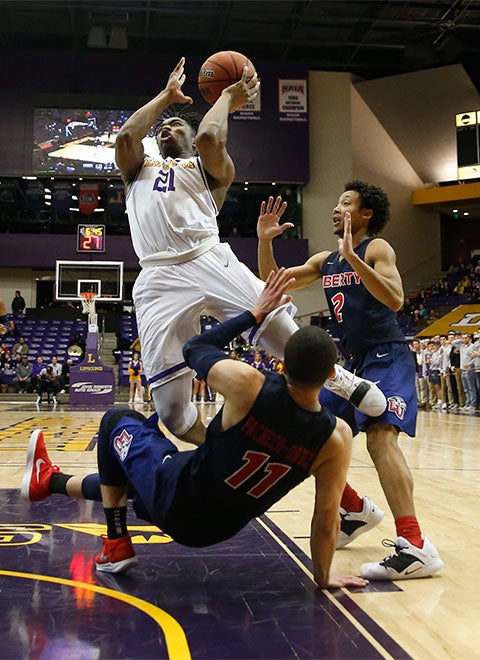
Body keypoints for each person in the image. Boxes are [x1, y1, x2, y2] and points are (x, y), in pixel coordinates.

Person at [21, 269, 368, 590]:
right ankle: (47, 482)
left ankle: (116, 545)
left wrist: (255, 314)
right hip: (215, 530)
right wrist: (323, 578)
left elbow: (195, 348)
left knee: (117, 420)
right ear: (329, 376)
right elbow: (325, 520)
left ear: (283, 361)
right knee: (135, 474)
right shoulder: (335, 439)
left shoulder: (250, 384)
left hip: (177, 497)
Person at [115, 57, 384, 446]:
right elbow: (125, 137)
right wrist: (166, 97)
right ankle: (221, 452)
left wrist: (225, 96)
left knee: (276, 326)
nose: (166, 128)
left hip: (207, 258)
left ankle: (339, 378)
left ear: (189, 139)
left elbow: (210, 138)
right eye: (162, 127)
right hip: (157, 277)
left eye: (176, 124)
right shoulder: (138, 169)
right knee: (173, 414)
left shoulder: (210, 170)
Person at [257, 185, 443, 581]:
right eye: (337, 201)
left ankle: (416, 546)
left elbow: (395, 299)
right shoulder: (324, 261)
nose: (337, 208)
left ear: (365, 215)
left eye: (346, 203)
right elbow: (272, 282)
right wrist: (264, 241)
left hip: (387, 355)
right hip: (352, 365)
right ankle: (355, 509)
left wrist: (354, 260)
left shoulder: (377, 249)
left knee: (380, 437)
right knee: (303, 430)